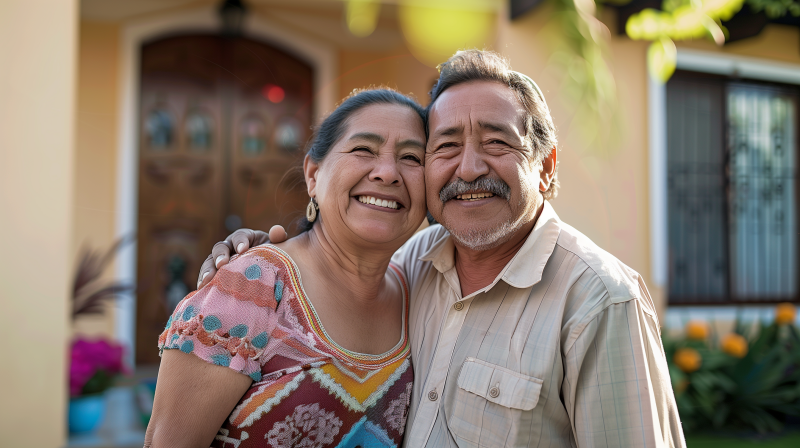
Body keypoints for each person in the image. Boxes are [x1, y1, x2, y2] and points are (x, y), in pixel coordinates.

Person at [200, 50, 686, 447]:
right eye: (446, 146)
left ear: (545, 166)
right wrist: (261, 255)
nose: (469, 168)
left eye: (497, 142)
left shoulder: (600, 301)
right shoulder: (413, 263)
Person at [145, 89, 429, 448]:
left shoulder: (420, 288)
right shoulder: (252, 287)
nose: (388, 173)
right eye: (363, 150)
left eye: (411, 157)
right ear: (313, 174)